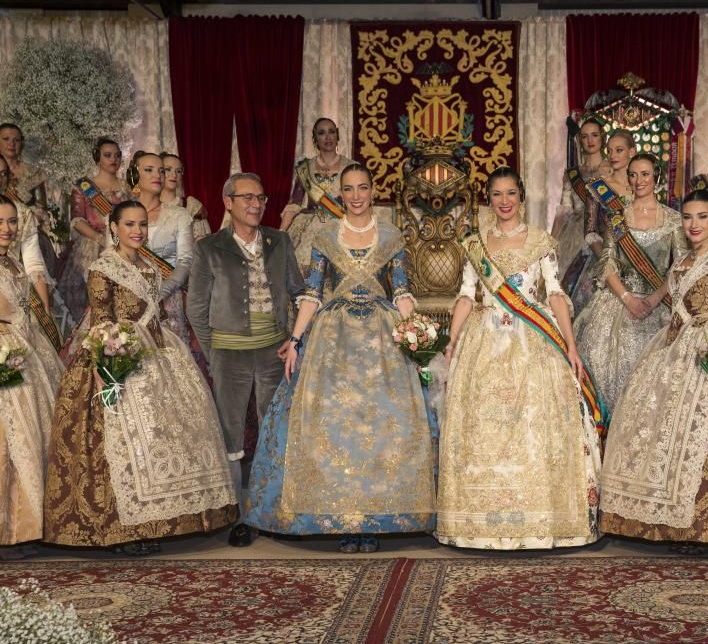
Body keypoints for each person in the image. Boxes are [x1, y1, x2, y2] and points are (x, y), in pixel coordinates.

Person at [244, 163, 435, 552]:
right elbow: (312, 292)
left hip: (382, 338)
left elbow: (400, 290)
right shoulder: (326, 235)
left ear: (372, 190)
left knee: (384, 426)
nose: (356, 195)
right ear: (341, 194)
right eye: (349, 189)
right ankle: (341, 519)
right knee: (333, 425)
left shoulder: (391, 235)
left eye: (363, 187)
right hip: (334, 338)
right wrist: (295, 341)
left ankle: (376, 519)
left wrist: (414, 332)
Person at [44, 200, 237, 555]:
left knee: (171, 432)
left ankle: (163, 519)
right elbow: (102, 322)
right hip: (117, 356)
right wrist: (107, 371)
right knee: (122, 442)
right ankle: (123, 529)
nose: (137, 231)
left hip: (157, 353)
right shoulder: (103, 268)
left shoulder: (149, 268)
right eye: (129, 224)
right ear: (113, 228)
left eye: (142, 225)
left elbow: (157, 315)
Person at [435, 166, 602, 550]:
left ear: (521, 197)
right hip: (485, 339)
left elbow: (556, 293)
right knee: (484, 425)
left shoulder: (541, 241)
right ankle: (479, 523)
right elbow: (465, 294)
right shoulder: (475, 243)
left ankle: (540, 520)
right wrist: (452, 339)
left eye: (511, 193)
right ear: (488, 199)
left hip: (534, 340)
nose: (505, 201)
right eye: (497, 194)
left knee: (533, 423)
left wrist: (571, 347)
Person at [600, 189, 708, 548]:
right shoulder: (681, 262)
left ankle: (706, 525)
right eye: (687, 217)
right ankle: (661, 521)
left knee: (706, 437)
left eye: (701, 217)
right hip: (674, 345)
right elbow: (661, 301)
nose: (693, 225)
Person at [188, 172, 304, 547]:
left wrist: (293, 340)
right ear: (228, 202)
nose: (256, 205)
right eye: (247, 198)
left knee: (274, 427)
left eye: (261, 198)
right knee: (231, 432)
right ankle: (238, 515)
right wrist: (215, 350)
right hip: (229, 353)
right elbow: (196, 308)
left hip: (273, 351)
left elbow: (300, 292)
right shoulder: (209, 248)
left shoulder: (279, 241)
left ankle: (272, 509)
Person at [574, 153, 682, 413]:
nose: (638, 180)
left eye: (645, 174)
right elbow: (608, 263)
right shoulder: (617, 217)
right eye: (633, 175)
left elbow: (679, 266)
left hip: (659, 304)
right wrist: (628, 299)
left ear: (657, 177)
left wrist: (655, 299)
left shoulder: (674, 219)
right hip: (618, 301)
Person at [0, 197, 63, 557]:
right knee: (10, 440)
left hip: (25, 351)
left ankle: (26, 524)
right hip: (7, 355)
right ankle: (9, 530)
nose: (7, 229)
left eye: (11, 222)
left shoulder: (10, 262)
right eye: (0, 222)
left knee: (30, 435)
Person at [126, 152, 199, 364]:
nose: (158, 175)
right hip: (127, 294)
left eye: (161, 170)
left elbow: (185, 261)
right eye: (149, 170)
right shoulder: (118, 213)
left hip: (167, 298)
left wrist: (161, 291)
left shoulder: (179, 215)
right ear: (135, 174)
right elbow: (110, 257)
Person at [59, 138, 129, 320]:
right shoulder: (83, 186)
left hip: (123, 247)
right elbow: (77, 220)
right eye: (107, 155)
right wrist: (100, 240)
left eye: (117, 155)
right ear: (98, 157)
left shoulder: (128, 188)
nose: (114, 159)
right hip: (92, 247)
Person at [280, 118, 356, 274]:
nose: (327, 137)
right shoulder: (304, 169)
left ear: (338, 135)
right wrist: (280, 233)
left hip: (341, 226)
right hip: (309, 227)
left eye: (331, 132)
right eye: (322, 133)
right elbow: (294, 203)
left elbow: (359, 202)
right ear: (315, 138)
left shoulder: (352, 167)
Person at [571, 130, 637, 310]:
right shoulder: (597, 186)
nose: (613, 155)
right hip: (603, 259)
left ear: (631, 152)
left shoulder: (641, 187)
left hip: (637, 259)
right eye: (609, 151)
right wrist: (608, 260)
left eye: (619, 150)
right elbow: (590, 231)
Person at [553, 117, 611, 291]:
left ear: (602, 137)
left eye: (594, 135)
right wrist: (551, 242)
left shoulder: (612, 169)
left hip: (604, 231)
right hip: (574, 236)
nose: (590, 140)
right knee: (570, 286)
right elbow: (564, 209)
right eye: (585, 136)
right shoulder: (571, 174)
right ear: (580, 140)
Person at [0, 123, 58, 276]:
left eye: (16, 140)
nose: (11, 144)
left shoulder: (34, 173)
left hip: (27, 237)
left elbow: (42, 209)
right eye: (6, 139)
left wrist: (25, 216)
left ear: (22, 143)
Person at [160, 152, 212, 240]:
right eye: (168, 169)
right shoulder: (145, 206)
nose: (174, 175)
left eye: (178, 171)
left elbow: (202, 247)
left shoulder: (191, 206)